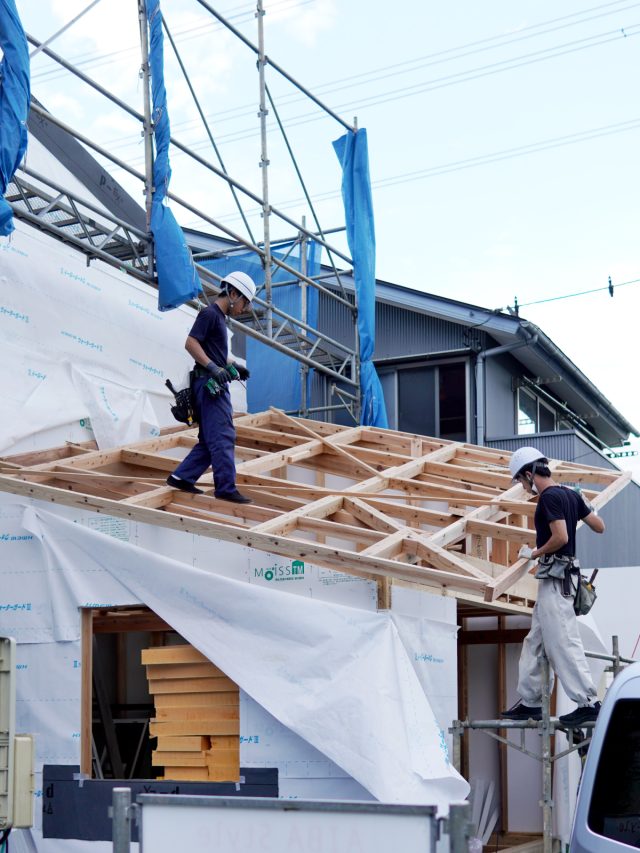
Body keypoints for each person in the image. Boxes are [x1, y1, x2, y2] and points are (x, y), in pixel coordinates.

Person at [500, 446, 606, 726]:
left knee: (563, 642)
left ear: (529, 474)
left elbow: (560, 537)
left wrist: (534, 553)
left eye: (521, 481)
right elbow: (599, 526)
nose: (524, 488)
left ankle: (589, 703)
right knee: (535, 641)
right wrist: (585, 504)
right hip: (560, 578)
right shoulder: (570, 495)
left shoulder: (549, 498)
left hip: (557, 580)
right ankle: (531, 701)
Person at [166, 271, 256, 503]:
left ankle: (181, 477)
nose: (245, 308)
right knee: (223, 435)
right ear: (233, 293)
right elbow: (191, 343)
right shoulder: (210, 314)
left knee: (209, 440)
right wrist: (213, 368)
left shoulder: (219, 319)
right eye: (245, 302)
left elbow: (215, 353)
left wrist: (233, 365)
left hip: (208, 383)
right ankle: (225, 488)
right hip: (210, 385)